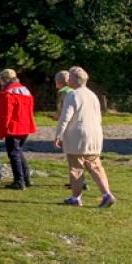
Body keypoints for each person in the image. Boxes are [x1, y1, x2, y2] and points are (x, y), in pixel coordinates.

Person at [55, 66, 115, 208]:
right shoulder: (92, 95)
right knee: (95, 165)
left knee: (76, 167)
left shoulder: (73, 95)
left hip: (78, 135)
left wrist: (58, 135)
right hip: (94, 134)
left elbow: (65, 117)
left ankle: (76, 197)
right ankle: (107, 194)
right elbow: (99, 117)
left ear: (74, 80)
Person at [0, 68, 37, 190]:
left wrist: (1, 131)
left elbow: (5, 115)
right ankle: (26, 178)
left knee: (13, 154)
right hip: (26, 125)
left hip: (13, 127)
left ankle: (19, 181)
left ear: (4, 79)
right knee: (18, 151)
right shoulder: (25, 90)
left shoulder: (6, 93)